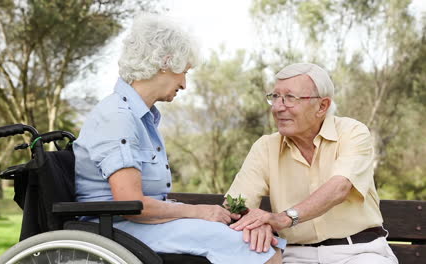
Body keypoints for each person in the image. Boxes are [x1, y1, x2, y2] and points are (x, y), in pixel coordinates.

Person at [73, 13, 285, 264]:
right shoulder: (118, 117)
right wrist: (200, 212)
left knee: (259, 241)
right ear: (165, 62)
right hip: (116, 230)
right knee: (256, 249)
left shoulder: (141, 118)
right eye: (183, 72)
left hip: (137, 225)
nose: (184, 84)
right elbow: (132, 204)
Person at [226, 63, 399, 264]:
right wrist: (254, 223)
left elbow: (339, 188)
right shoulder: (265, 147)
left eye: (290, 98)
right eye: (275, 97)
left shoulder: (353, 132)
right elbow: (235, 205)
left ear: (322, 106)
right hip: (294, 256)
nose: (278, 107)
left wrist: (281, 219)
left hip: (359, 253)